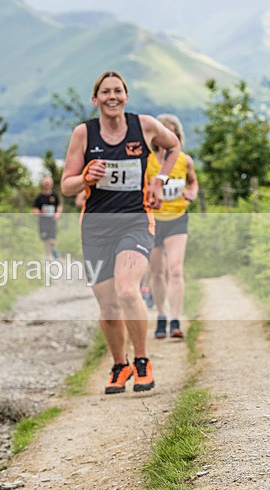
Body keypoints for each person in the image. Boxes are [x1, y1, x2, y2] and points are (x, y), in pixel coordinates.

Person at [61, 70, 180, 395]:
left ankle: (142, 360)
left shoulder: (143, 125)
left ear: (126, 96)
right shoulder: (84, 134)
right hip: (96, 227)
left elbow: (173, 146)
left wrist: (159, 180)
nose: (112, 97)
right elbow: (67, 185)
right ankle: (119, 364)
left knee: (128, 291)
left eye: (118, 91)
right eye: (106, 92)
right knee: (108, 306)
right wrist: (85, 177)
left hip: (135, 220)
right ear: (95, 98)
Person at [147, 114, 198, 339]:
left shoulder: (184, 160)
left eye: (172, 134)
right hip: (152, 221)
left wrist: (191, 194)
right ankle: (161, 315)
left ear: (177, 136)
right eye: (163, 133)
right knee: (156, 272)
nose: (167, 138)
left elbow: (193, 180)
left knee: (175, 269)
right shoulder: (146, 160)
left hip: (177, 218)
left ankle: (176, 319)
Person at [32, 176, 63, 260]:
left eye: (48, 183)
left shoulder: (54, 196)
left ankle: (53, 250)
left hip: (52, 221)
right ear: (43, 184)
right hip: (43, 222)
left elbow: (59, 206)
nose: (47, 185)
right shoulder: (39, 197)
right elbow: (35, 209)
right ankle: (48, 257)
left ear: (51, 184)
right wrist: (40, 213)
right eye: (46, 183)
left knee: (52, 239)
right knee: (45, 240)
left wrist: (58, 213)